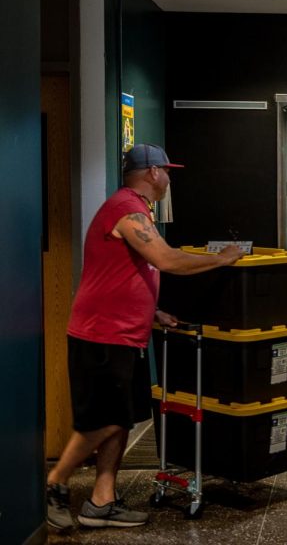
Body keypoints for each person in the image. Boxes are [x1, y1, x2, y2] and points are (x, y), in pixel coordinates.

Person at [46, 144, 244, 531]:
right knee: (103, 420)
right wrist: (222, 258)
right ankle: (55, 484)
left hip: (126, 334)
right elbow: (166, 260)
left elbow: (122, 272)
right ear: (153, 173)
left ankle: (102, 501)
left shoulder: (134, 210)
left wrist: (150, 311)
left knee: (120, 420)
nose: (170, 178)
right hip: (101, 335)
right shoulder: (125, 209)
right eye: (167, 171)